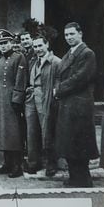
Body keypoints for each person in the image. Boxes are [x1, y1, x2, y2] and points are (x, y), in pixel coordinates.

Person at [54, 22, 99, 187]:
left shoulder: (87, 53)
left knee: (80, 142)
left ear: (80, 34)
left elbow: (80, 78)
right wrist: (58, 88)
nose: (69, 38)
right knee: (70, 142)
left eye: (72, 34)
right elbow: (60, 74)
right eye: (66, 35)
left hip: (80, 104)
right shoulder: (69, 53)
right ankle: (75, 177)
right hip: (68, 103)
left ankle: (84, 179)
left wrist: (59, 90)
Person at [0, 29, 27, 178]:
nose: (3, 46)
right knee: (1, 133)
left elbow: (20, 80)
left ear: (11, 43)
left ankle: (17, 165)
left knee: (12, 133)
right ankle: (7, 163)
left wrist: (17, 99)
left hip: (10, 100)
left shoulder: (19, 57)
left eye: (6, 43)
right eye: (0, 44)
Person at [24, 35, 61, 176]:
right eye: (35, 46)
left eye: (40, 46)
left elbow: (59, 80)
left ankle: (51, 163)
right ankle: (33, 163)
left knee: (47, 132)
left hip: (46, 99)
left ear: (47, 45)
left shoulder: (56, 61)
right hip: (31, 99)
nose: (37, 49)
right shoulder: (33, 61)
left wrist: (54, 95)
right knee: (32, 132)